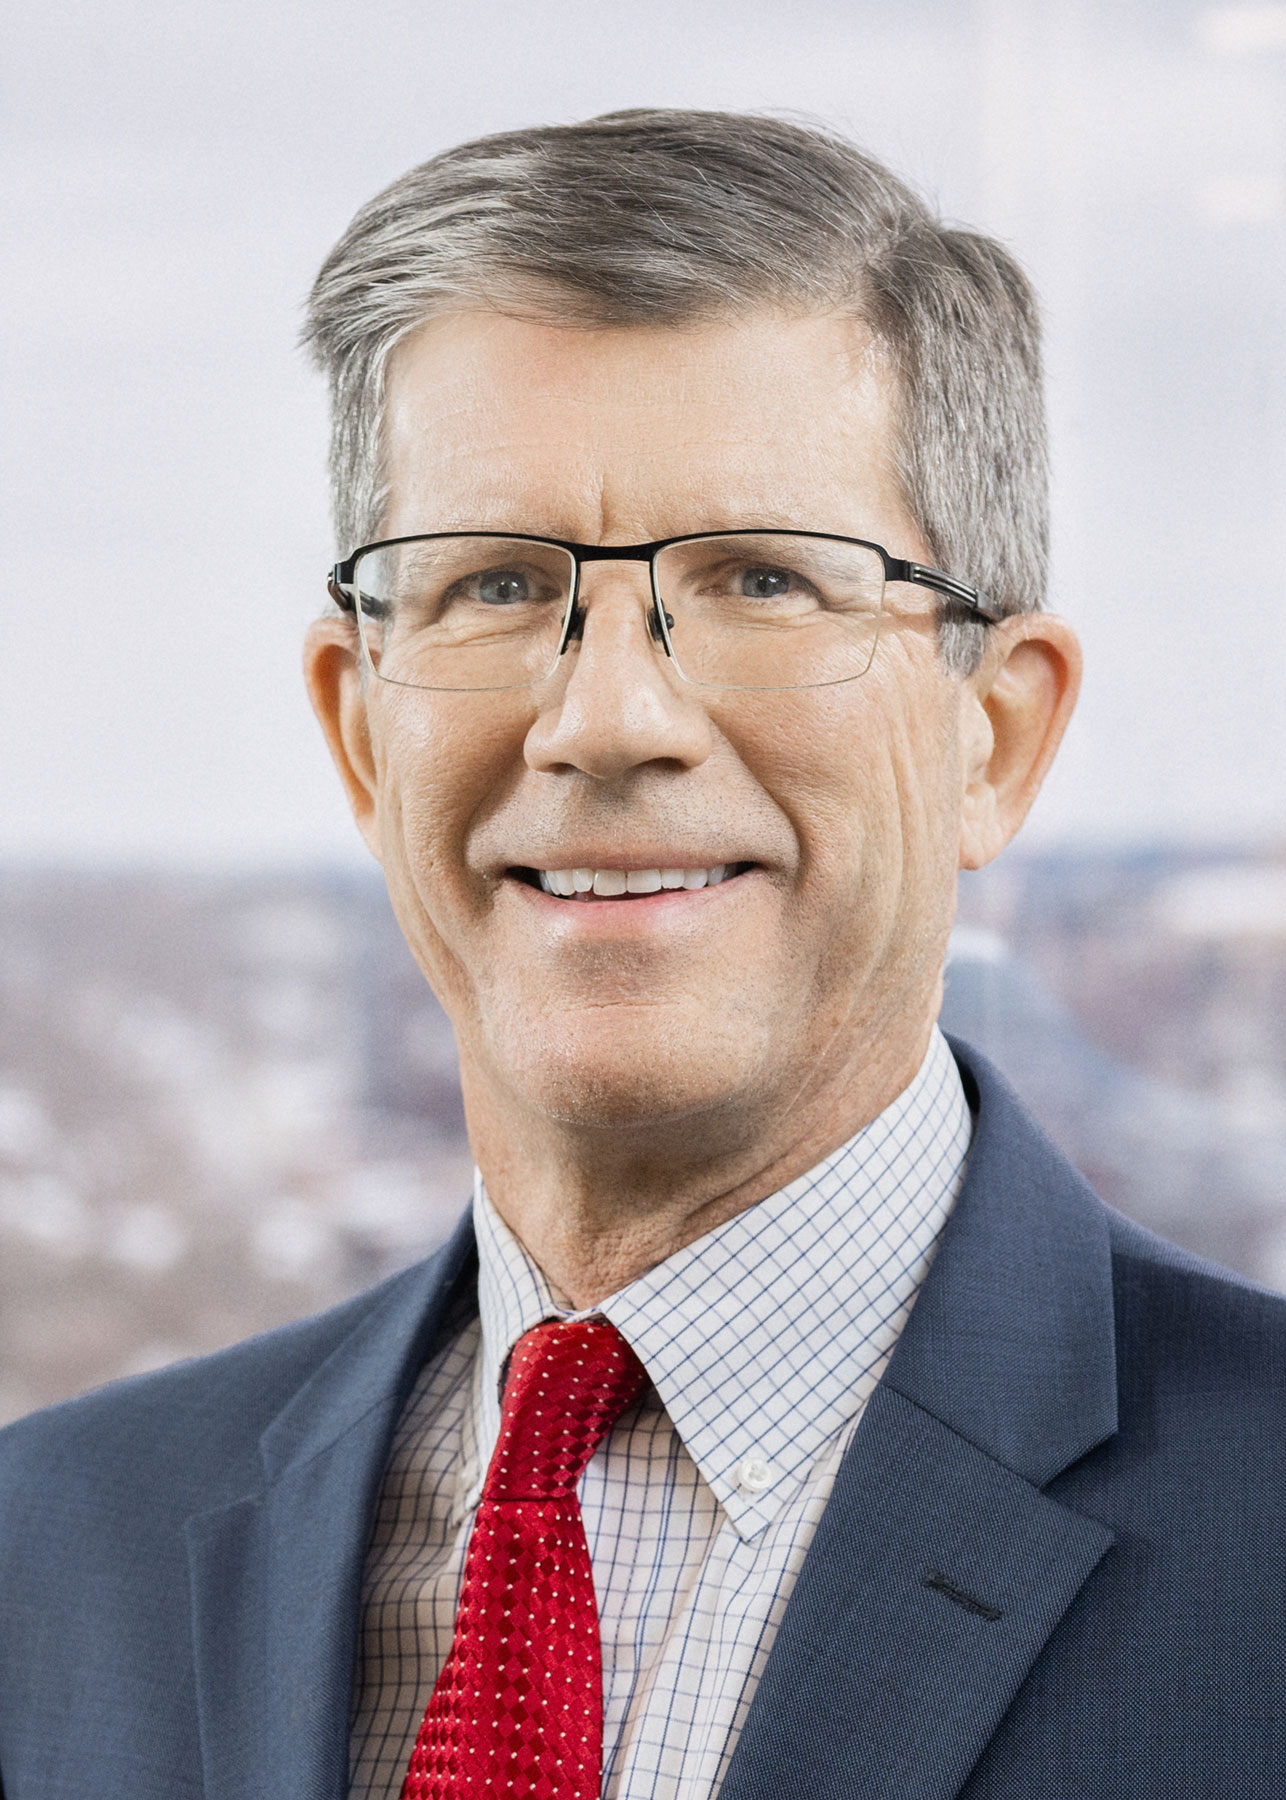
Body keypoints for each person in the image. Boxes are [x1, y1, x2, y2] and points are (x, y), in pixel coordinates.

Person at [1, 109, 1283, 1800]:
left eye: (762, 579)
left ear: (992, 732)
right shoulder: (52, 1552)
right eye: (493, 585)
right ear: (360, 733)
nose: (605, 720)